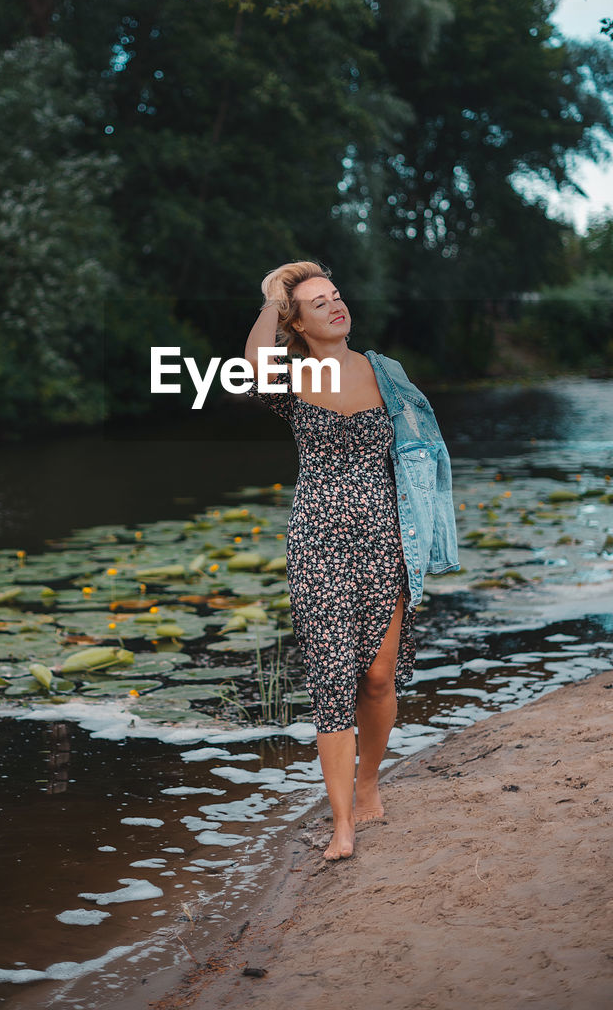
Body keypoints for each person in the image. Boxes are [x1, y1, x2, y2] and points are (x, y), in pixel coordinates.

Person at [243, 259, 457, 861]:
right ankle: (343, 826)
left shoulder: (386, 375)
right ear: (299, 322)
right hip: (316, 540)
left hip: (386, 537)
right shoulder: (288, 380)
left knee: (379, 674)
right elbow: (251, 367)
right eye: (319, 302)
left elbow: (425, 454)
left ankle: (369, 785)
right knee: (331, 678)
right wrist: (274, 297)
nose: (336, 306)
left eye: (337, 296)